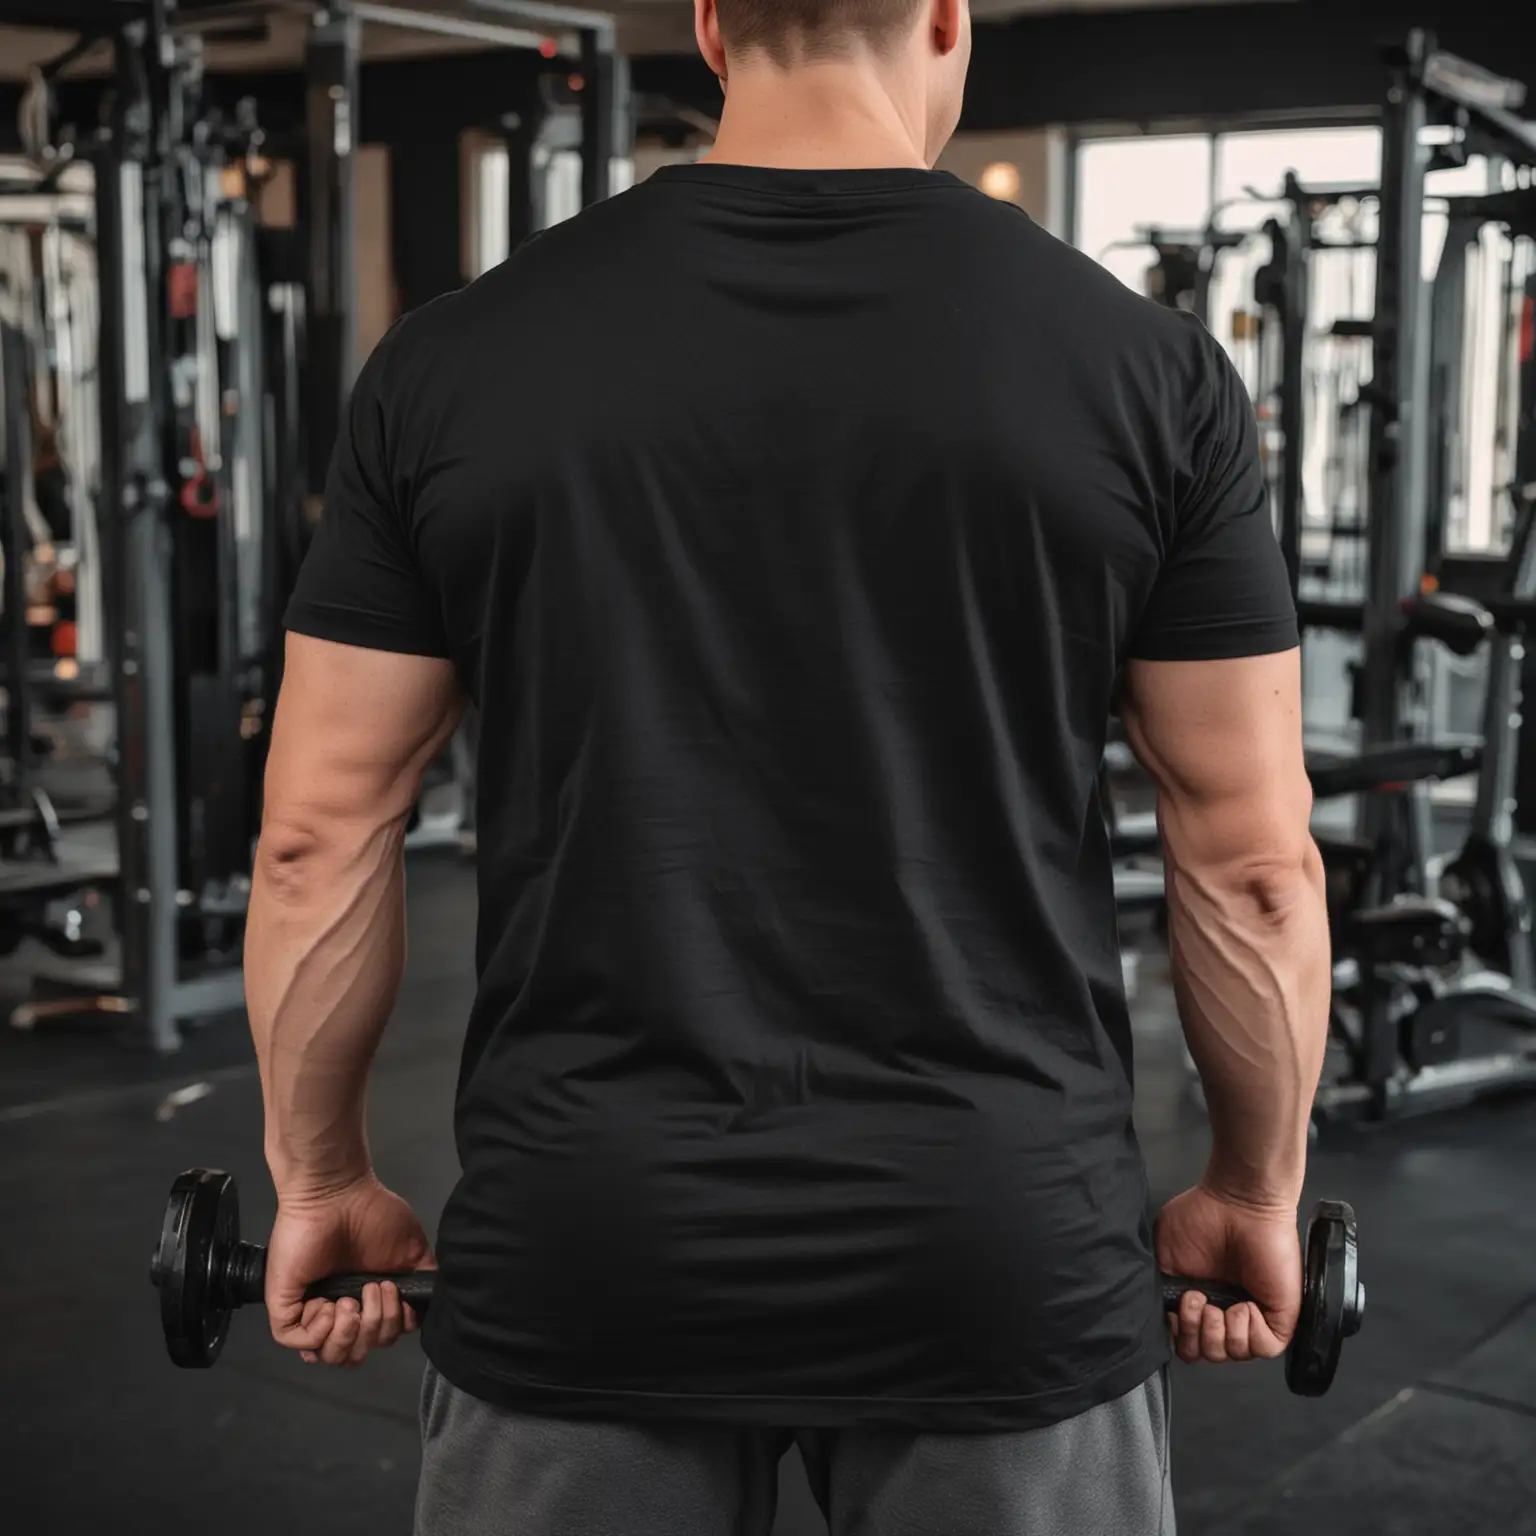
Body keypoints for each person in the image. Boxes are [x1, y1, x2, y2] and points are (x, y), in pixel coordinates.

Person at [247, 1, 1331, 1531]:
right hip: (1000, 1253)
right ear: (946, 16)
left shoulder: (452, 362)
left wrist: (321, 1184)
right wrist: (1252, 1194)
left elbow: (315, 836)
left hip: (589, 1250)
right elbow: (1255, 864)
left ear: (707, 23)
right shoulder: (1150, 376)